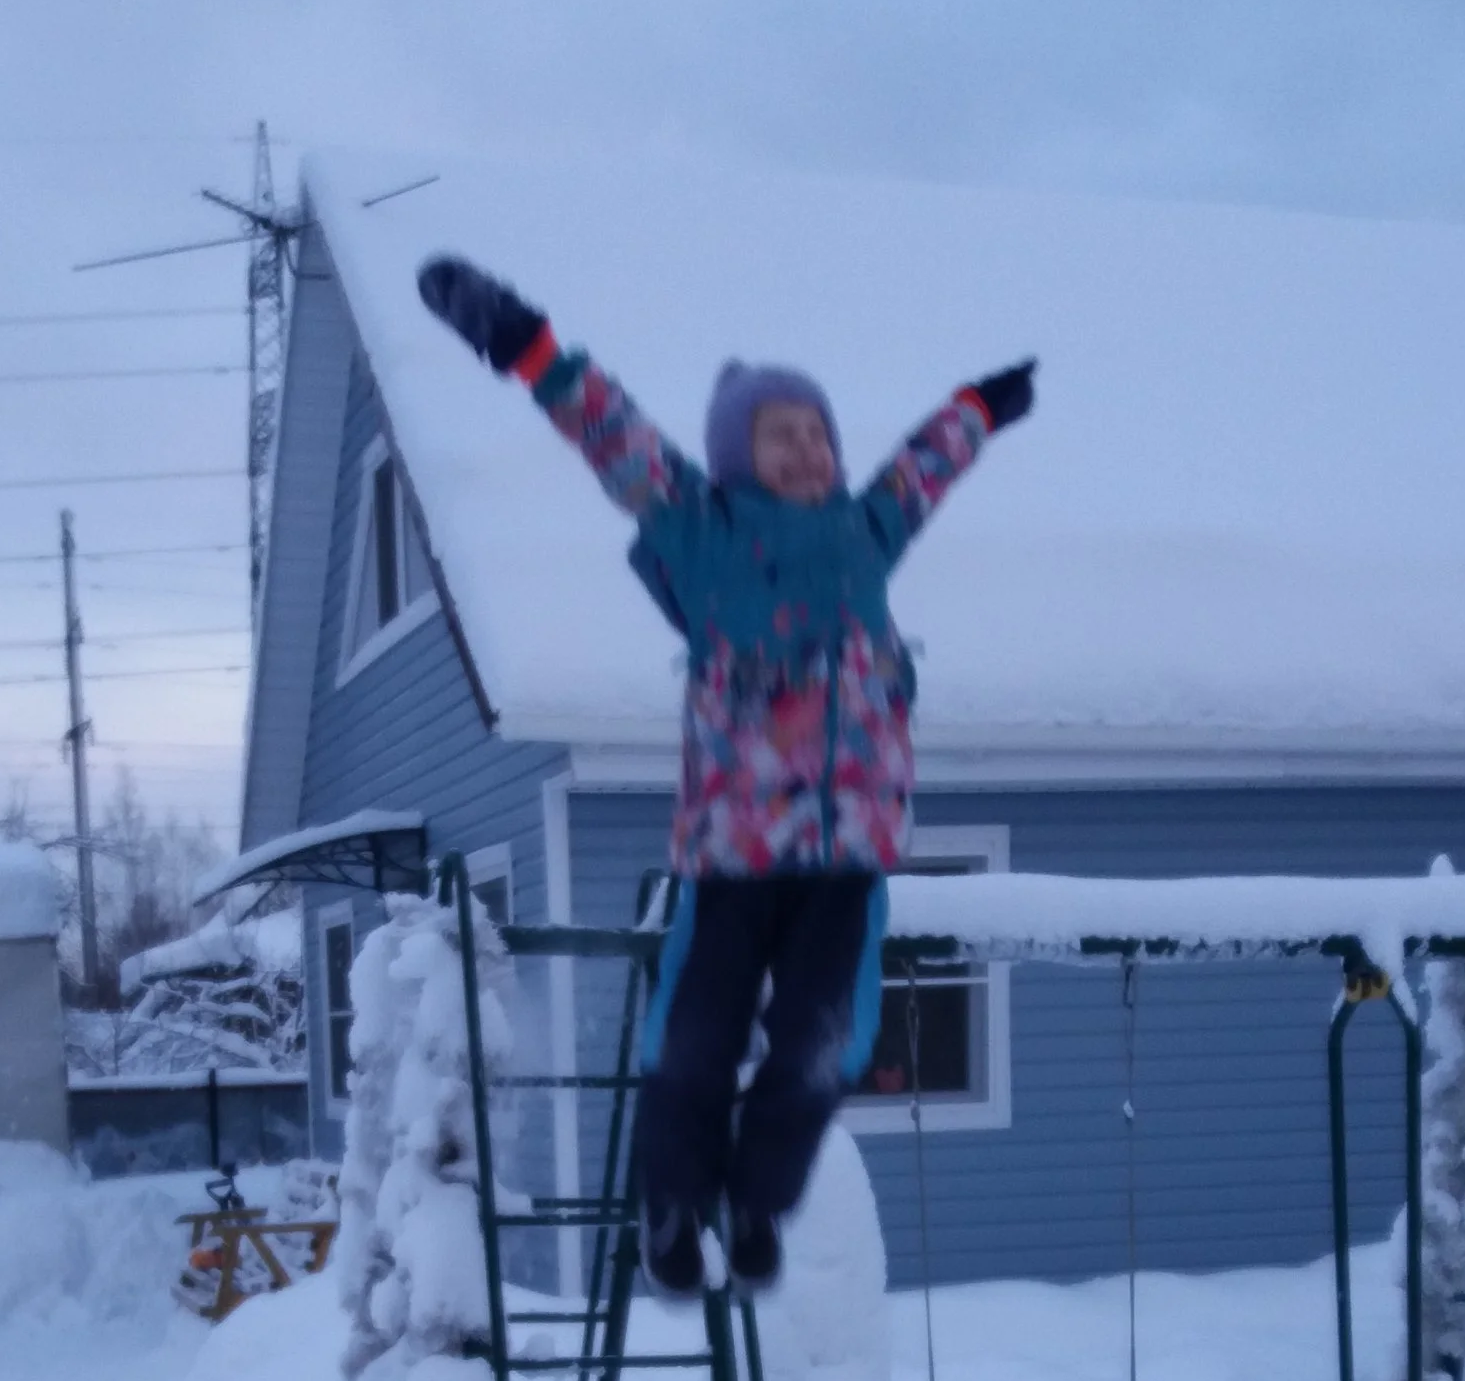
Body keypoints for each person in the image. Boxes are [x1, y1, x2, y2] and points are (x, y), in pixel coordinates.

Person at [416, 252, 1034, 1298]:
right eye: (780, 434)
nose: (807, 449)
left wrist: (979, 405)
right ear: (735, 456)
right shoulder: (696, 525)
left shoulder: (866, 530)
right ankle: (672, 1201)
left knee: (825, 1050)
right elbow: (605, 427)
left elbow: (923, 468)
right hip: (734, 853)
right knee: (691, 1043)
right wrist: (519, 338)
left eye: (818, 433)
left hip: (846, 860)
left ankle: (757, 1200)